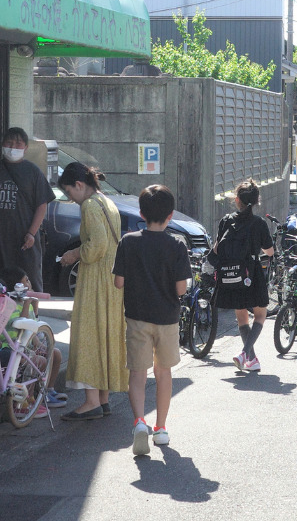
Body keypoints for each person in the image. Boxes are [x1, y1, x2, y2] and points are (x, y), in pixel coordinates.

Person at [112, 184, 193, 456]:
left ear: (141, 214)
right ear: (170, 215)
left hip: (136, 316)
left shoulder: (128, 241)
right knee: (163, 372)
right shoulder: (177, 245)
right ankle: (160, 428)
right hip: (167, 318)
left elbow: (118, 282)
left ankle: (138, 423)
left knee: (137, 373)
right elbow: (181, 289)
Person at [55, 161, 127, 419]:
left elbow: (95, 246)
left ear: (79, 185)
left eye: (69, 192)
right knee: (106, 334)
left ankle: (91, 402)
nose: (70, 199)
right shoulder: (107, 201)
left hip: (95, 279)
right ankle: (103, 398)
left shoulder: (89, 206)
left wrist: (73, 253)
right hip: (111, 279)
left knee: (89, 335)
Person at [0, 127, 54, 291]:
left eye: (18, 144)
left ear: (26, 148)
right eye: (9, 143)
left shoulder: (33, 172)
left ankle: (31, 316)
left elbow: (42, 204)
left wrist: (32, 233)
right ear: (2, 144)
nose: (13, 147)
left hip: (24, 242)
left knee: (29, 285)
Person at [208, 179, 275, 372]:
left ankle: (252, 360)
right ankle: (245, 352)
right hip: (251, 272)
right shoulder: (259, 223)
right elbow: (269, 251)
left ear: (237, 200)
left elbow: (217, 247)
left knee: (241, 317)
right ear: (255, 202)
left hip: (230, 275)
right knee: (261, 314)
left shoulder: (226, 221)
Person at [0, 266, 67, 416]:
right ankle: (25, 401)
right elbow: (22, 326)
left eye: (28, 280)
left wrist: (41, 345)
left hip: (26, 345)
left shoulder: (27, 304)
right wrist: (27, 304)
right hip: (10, 346)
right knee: (38, 361)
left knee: (55, 354)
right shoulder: (9, 306)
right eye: (25, 282)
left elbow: (33, 327)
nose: (29, 284)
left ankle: (48, 391)